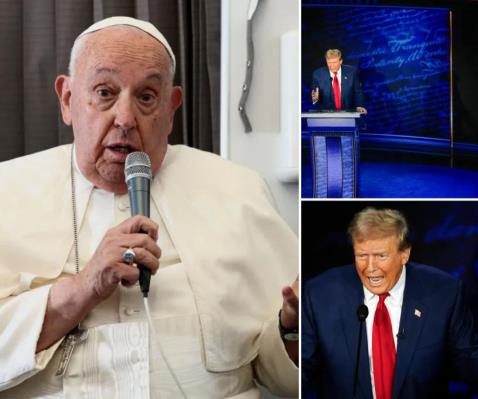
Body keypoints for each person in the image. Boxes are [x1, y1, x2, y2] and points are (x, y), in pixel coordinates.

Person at [0, 17, 298, 398]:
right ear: (68, 100)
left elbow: (280, 377)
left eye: (145, 97)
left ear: (171, 108)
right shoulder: (7, 190)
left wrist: (292, 329)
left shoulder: (238, 190)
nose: (125, 119)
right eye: (105, 92)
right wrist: (83, 287)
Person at [302, 208, 478, 399]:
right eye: (362, 256)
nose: (370, 267)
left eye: (381, 256)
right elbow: (301, 370)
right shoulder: (320, 294)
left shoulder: (443, 292)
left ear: (405, 254)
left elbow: (464, 356)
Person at [311, 49, 367, 114]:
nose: (331, 66)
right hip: (326, 114)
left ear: (341, 61)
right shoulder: (317, 74)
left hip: (349, 112)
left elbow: (357, 91)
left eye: (334, 62)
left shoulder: (351, 72)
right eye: (329, 62)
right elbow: (315, 96)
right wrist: (315, 99)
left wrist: (359, 106)